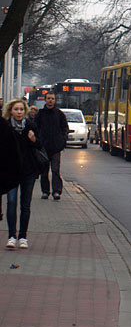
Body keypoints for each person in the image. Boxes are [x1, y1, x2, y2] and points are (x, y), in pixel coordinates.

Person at [4, 98, 42, 250]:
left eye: (21, 109)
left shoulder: (31, 126)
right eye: (16, 109)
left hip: (28, 171)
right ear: (10, 111)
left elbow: (40, 144)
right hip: (11, 171)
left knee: (25, 204)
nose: (19, 112)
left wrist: (34, 139)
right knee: (11, 202)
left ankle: (23, 237)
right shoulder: (6, 127)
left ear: (25, 111)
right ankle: (11, 236)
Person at [34, 92, 68, 201]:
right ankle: (45, 191)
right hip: (43, 147)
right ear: (45, 99)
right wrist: (38, 142)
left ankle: (56, 191)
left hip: (56, 147)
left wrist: (63, 141)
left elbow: (65, 128)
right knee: (44, 171)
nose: (50, 100)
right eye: (48, 98)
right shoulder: (40, 114)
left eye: (52, 98)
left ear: (55, 100)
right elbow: (35, 128)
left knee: (55, 170)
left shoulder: (59, 114)